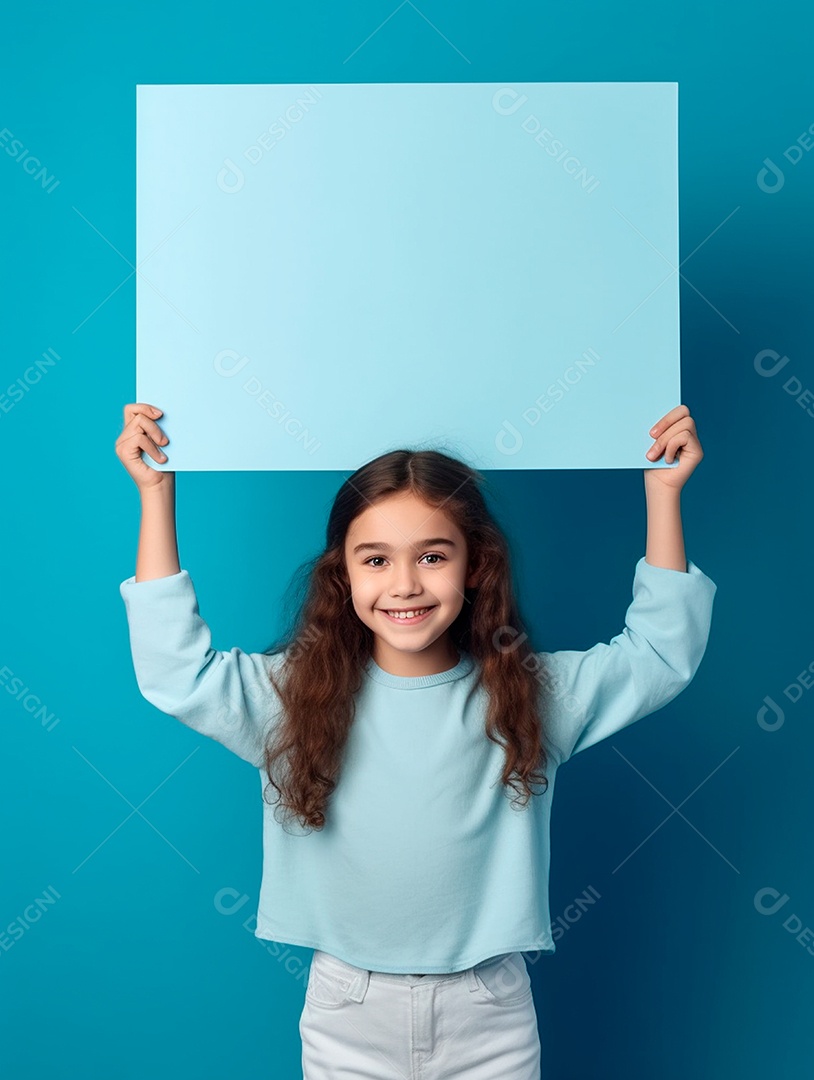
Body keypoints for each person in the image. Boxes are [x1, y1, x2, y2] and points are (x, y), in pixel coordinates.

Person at [115, 402, 717, 1079]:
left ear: (474, 568)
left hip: (489, 1009)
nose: (405, 584)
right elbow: (175, 671)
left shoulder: (530, 696)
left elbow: (661, 654)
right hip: (348, 1008)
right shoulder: (291, 699)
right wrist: (156, 496)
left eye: (433, 556)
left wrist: (664, 496)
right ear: (343, 575)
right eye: (376, 559)